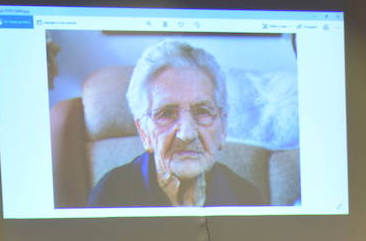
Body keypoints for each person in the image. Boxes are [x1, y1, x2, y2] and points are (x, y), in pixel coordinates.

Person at [88, 40, 264, 208]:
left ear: (223, 126)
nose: (187, 134)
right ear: (144, 132)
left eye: (202, 111)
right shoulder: (111, 196)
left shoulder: (246, 198)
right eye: (166, 114)